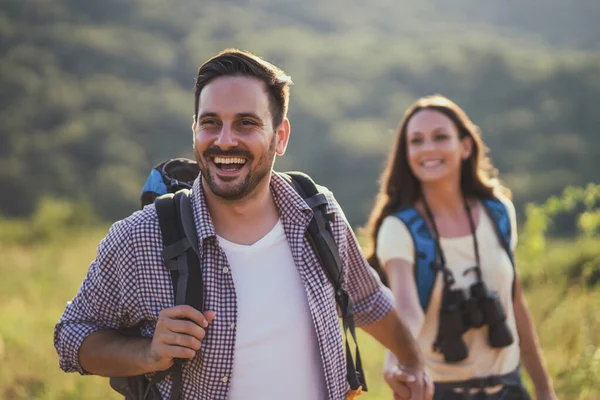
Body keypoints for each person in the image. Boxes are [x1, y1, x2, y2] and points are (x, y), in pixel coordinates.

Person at [54, 49, 433, 400]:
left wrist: (413, 362)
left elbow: (366, 298)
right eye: (211, 123)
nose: (224, 140)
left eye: (246, 124)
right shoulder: (141, 237)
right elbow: (72, 337)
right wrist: (147, 353)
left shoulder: (319, 213)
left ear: (279, 136)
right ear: (195, 131)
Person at [364, 95, 557, 400]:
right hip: (438, 392)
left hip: (509, 389)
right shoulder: (399, 229)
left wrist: (545, 390)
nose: (428, 148)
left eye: (440, 137)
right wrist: (395, 360)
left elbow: (516, 304)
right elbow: (407, 307)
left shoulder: (498, 213)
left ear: (466, 146)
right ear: (406, 153)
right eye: (416, 141)